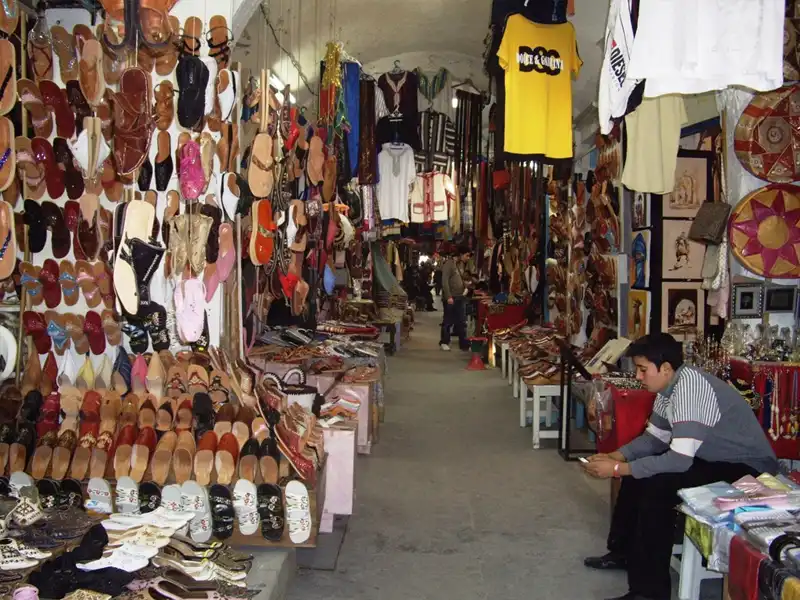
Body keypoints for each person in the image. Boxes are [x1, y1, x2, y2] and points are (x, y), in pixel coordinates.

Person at [582, 332, 778, 600]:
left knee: (657, 487)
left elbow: (678, 460)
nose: (638, 377)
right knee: (640, 472)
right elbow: (654, 439)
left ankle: (650, 592)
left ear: (665, 368)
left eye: (642, 370)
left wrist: (617, 469)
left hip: (748, 467)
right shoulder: (668, 387)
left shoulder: (689, 388)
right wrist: (618, 455)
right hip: (712, 457)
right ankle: (623, 552)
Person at [440, 246, 471, 351]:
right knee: (448, 320)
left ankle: (463, 344)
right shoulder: (449, 264)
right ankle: (444, 341)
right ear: (461, 254)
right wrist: (448, 296)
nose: (468, 258)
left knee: (462, 321)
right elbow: (444, 281)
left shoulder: (460, 264)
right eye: (466, 255)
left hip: (460, 296)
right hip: (451, 297)